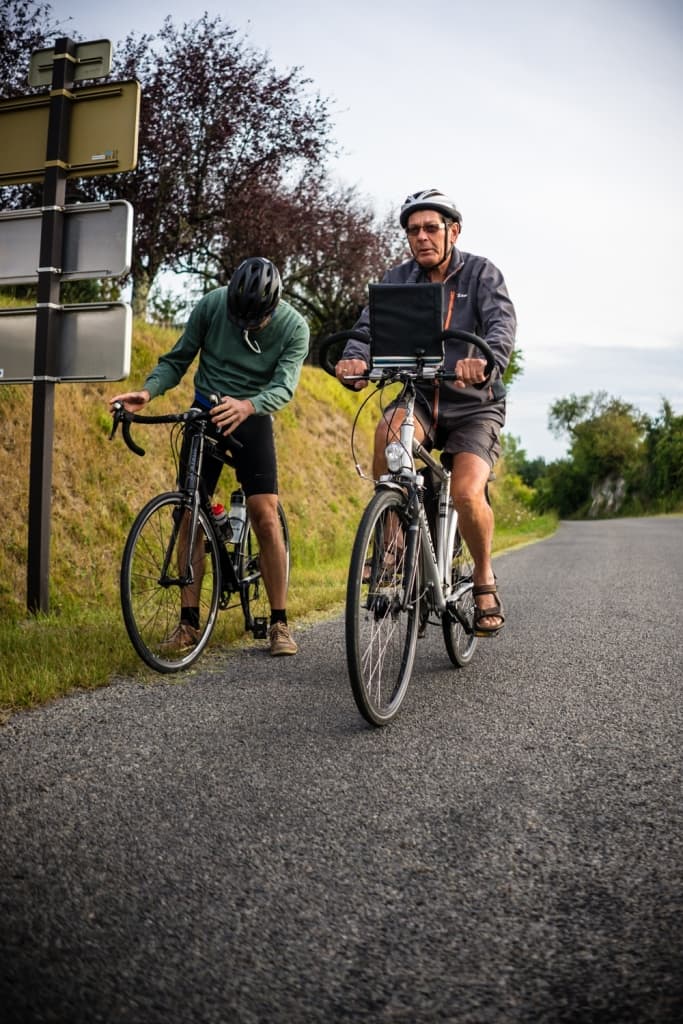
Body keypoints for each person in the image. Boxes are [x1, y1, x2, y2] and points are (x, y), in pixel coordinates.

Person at [335, 189, 516, 635]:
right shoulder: (398, 279)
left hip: (474, 404)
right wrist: (354, 357)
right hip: (421, 396)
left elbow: (501, 326)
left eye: (431, 228)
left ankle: (483, 578)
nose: (421, 237)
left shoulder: (481, 274)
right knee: (387, 433)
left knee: (467, 493)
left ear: (453, 231)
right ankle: (393, 547)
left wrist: (485, 359)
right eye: (413, 230)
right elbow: (368, 328)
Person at [110, 256, 309, 656]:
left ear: (272, 308)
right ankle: (188, 623)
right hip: (205, 410)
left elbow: (284, 387)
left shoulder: (294, 327)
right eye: (240, 319)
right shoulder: (213, 304)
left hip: (252, 414)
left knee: (264, 514)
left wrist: (249, 405)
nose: (246, 326)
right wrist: (148, 392)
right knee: (188, 512)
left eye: (255, 321)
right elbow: (178, 359)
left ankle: (279, 622)